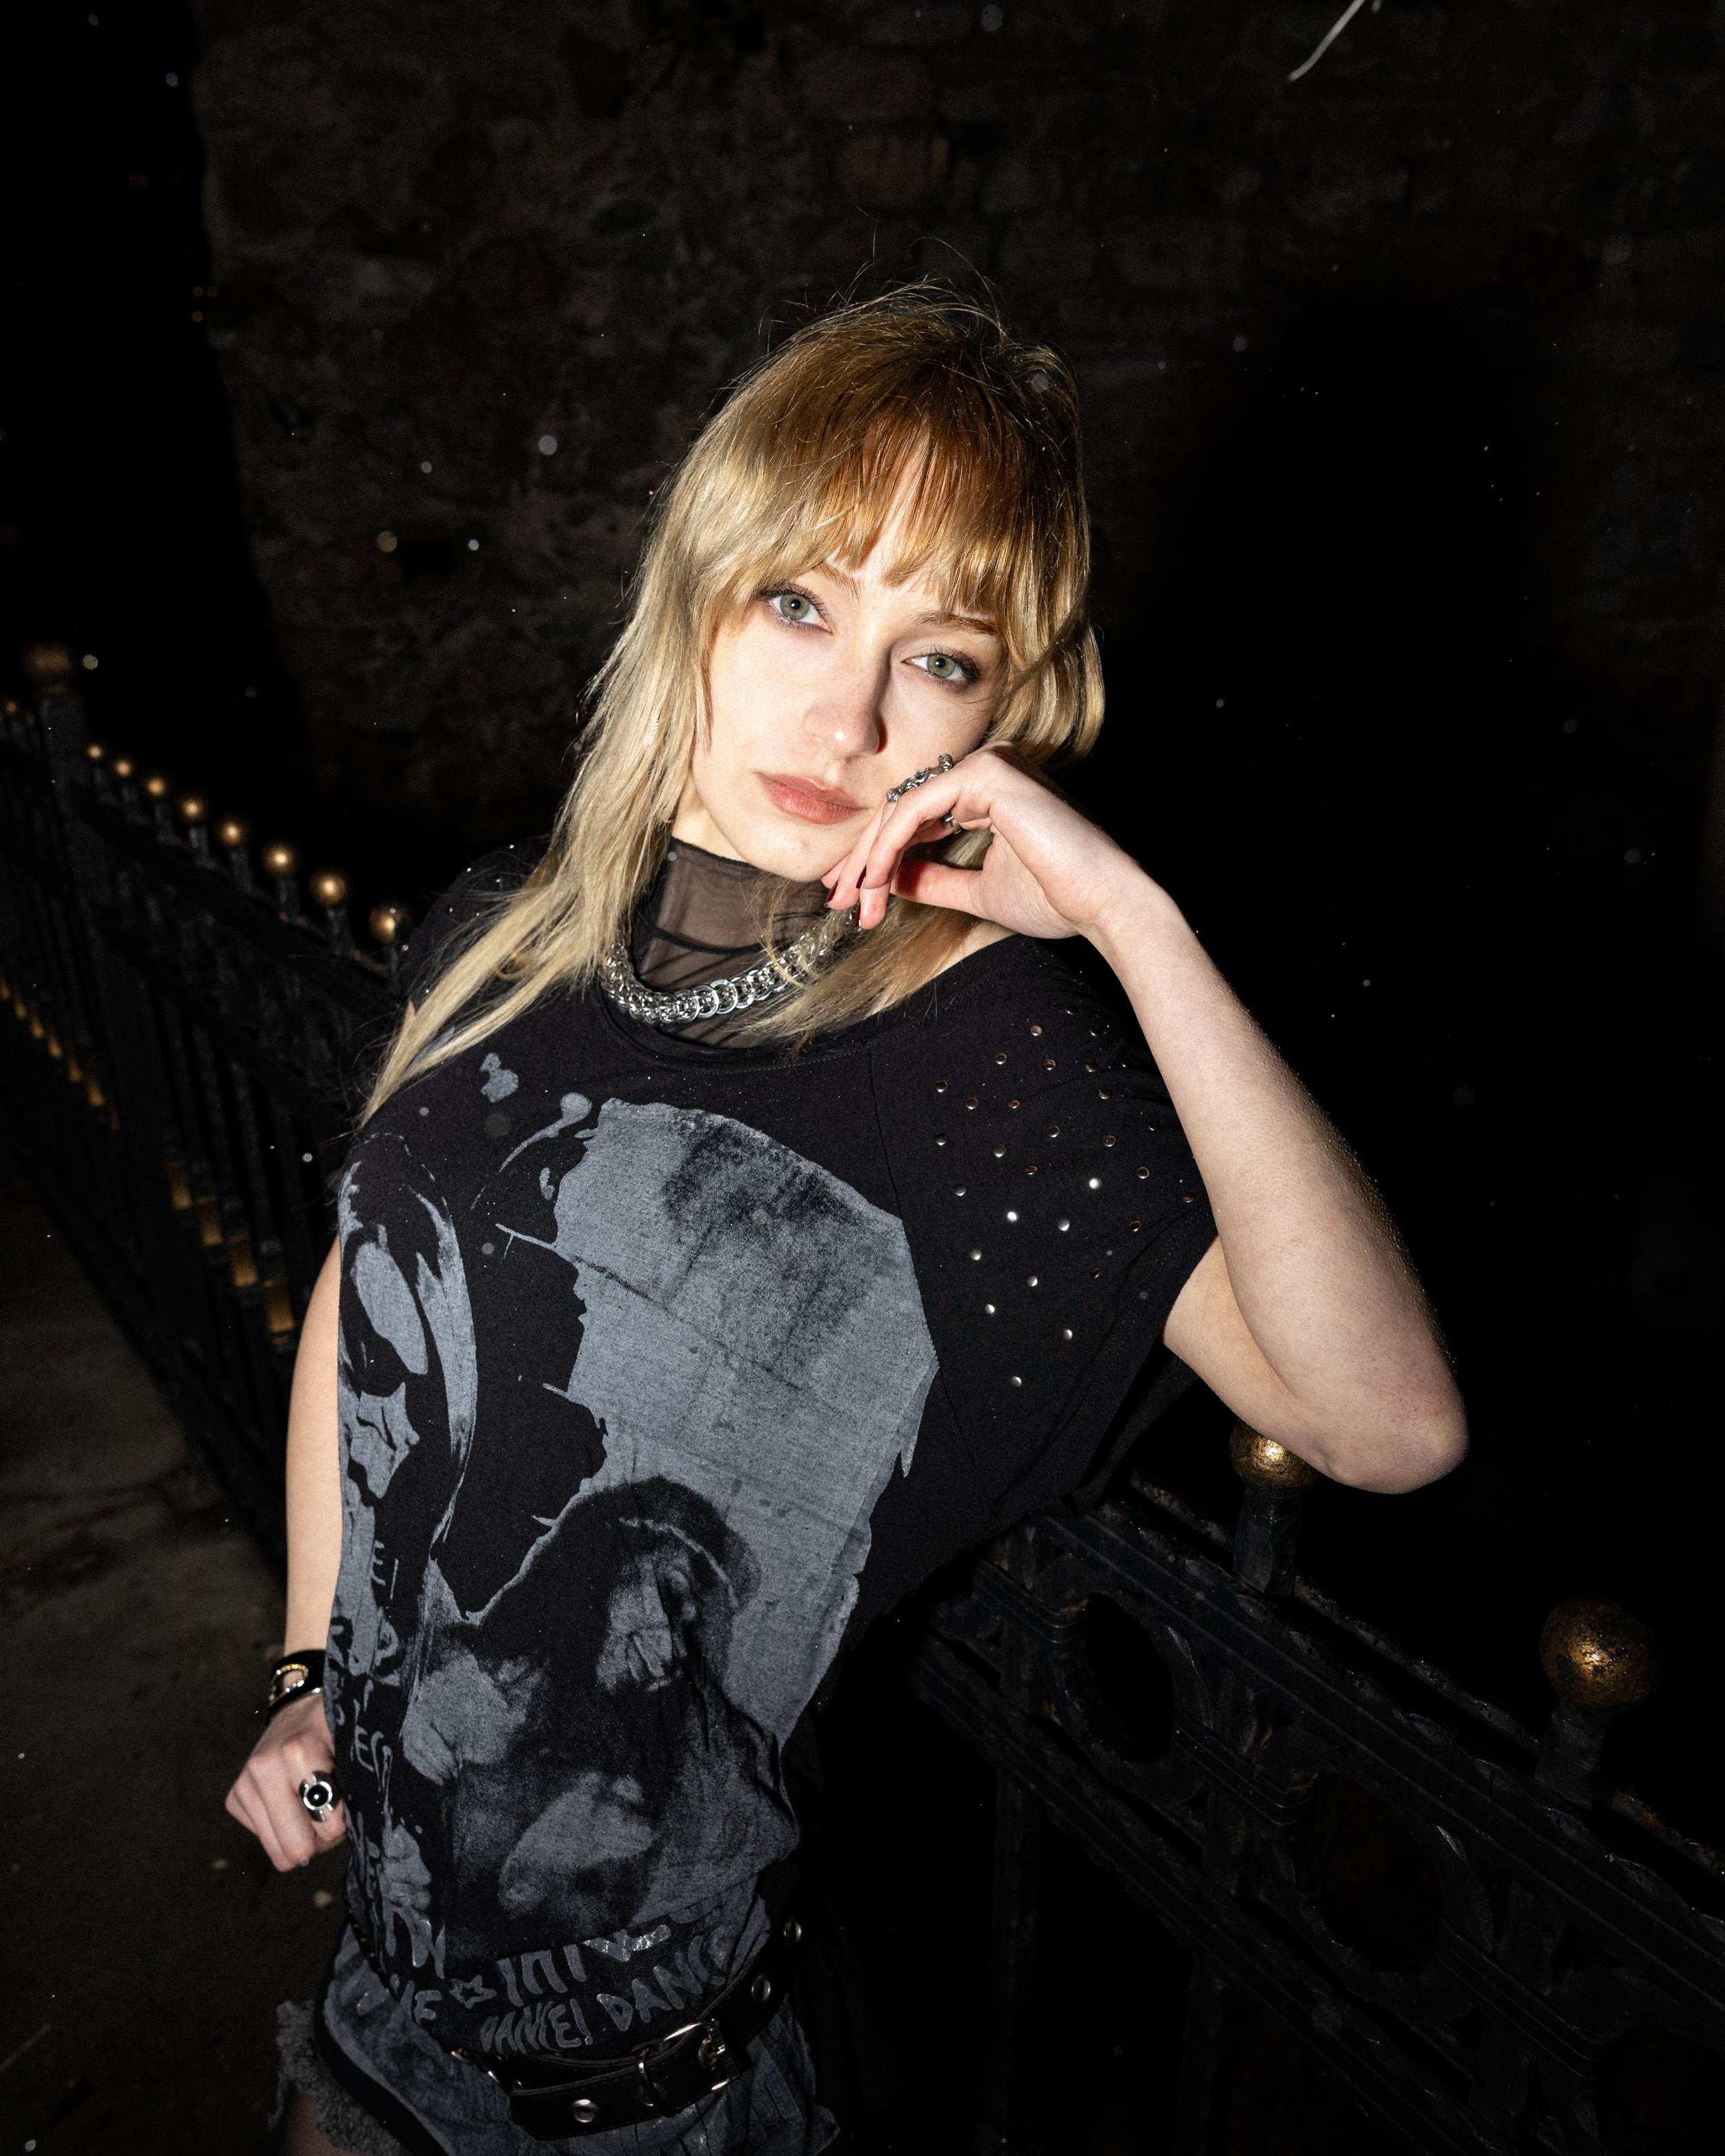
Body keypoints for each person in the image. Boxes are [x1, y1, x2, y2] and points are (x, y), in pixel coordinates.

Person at [226, 285, 1466, 2156]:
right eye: (800, 603)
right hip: (369, 2008)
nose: (850, 709)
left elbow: (1384, 1423)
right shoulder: (506, 926)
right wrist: (312, 1675)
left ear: (1008, 710)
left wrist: (1138, 927)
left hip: (643, 2096)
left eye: (941, 656)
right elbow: (360, 1298)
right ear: (696, 600)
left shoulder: (990, 1067)